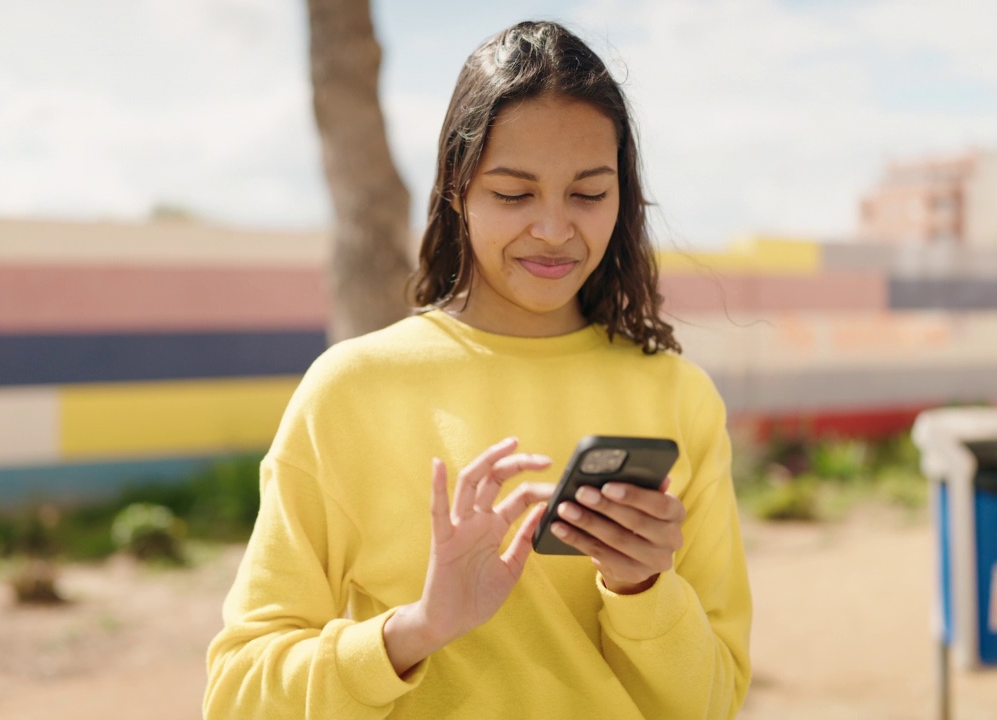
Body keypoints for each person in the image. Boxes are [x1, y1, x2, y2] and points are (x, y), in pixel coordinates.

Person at [205, 20, 752, 719]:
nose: (554, 229)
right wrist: (416, 630)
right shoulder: (351, 392)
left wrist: (645, 589)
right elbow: (236, 697)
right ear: (458, 191)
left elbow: (712, 703)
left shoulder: (679, 400)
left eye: (588, 193)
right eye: (514, 194)